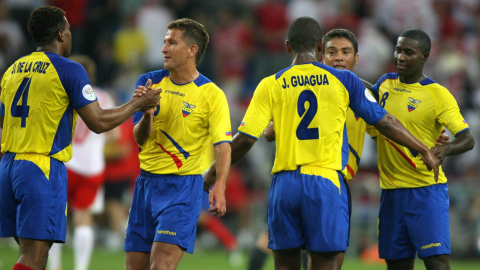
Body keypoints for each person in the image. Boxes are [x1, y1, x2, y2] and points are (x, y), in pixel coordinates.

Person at [203, 17, 440, 270]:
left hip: (284, 184)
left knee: (284, 264)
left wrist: (212, 173)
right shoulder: (345, 81)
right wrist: (423, 148)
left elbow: (246, 140)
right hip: (325, 183)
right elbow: (386, 122)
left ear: (287, 46)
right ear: (320, 47)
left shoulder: (269, 84)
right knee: (326, 264)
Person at [0, 6, 160, 270]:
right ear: (61, 35)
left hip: (8, 165)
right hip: (41, 166)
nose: (72, 36)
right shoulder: (69, 69)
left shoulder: (12, 71)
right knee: (33, 256)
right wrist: (137, 104)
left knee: (32, 255)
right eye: (70, 31)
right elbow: (98, 122)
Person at [125, 18, 232, 270]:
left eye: (171, 43)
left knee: (161, 264)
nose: (163, 48)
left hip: (182, 188)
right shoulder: (150, 81)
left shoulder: (211, 94)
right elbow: (140, 139)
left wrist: (220, 185)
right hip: (146, 185)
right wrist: (148, 113)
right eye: (164, 42)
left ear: (191, 50)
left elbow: (224, 146)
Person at [370, 29, 474, 270]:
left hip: (426, 191)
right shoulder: (385, 83)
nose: (400, 57)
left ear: (424, 56)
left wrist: (447, 150)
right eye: (398, 50)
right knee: (396, 264)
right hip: (391, 193)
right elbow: (364, 96)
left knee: (436, 263)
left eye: (409, 52)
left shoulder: (437, 94)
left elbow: (467, 139)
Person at [48, 55, 119, 270]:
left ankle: (55, 265)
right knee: (84, 218)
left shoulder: (64, 93)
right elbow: (114, 136)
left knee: (56, 214)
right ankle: (80, 268)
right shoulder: (105, 97)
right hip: (93, 167)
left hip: (65, 163)